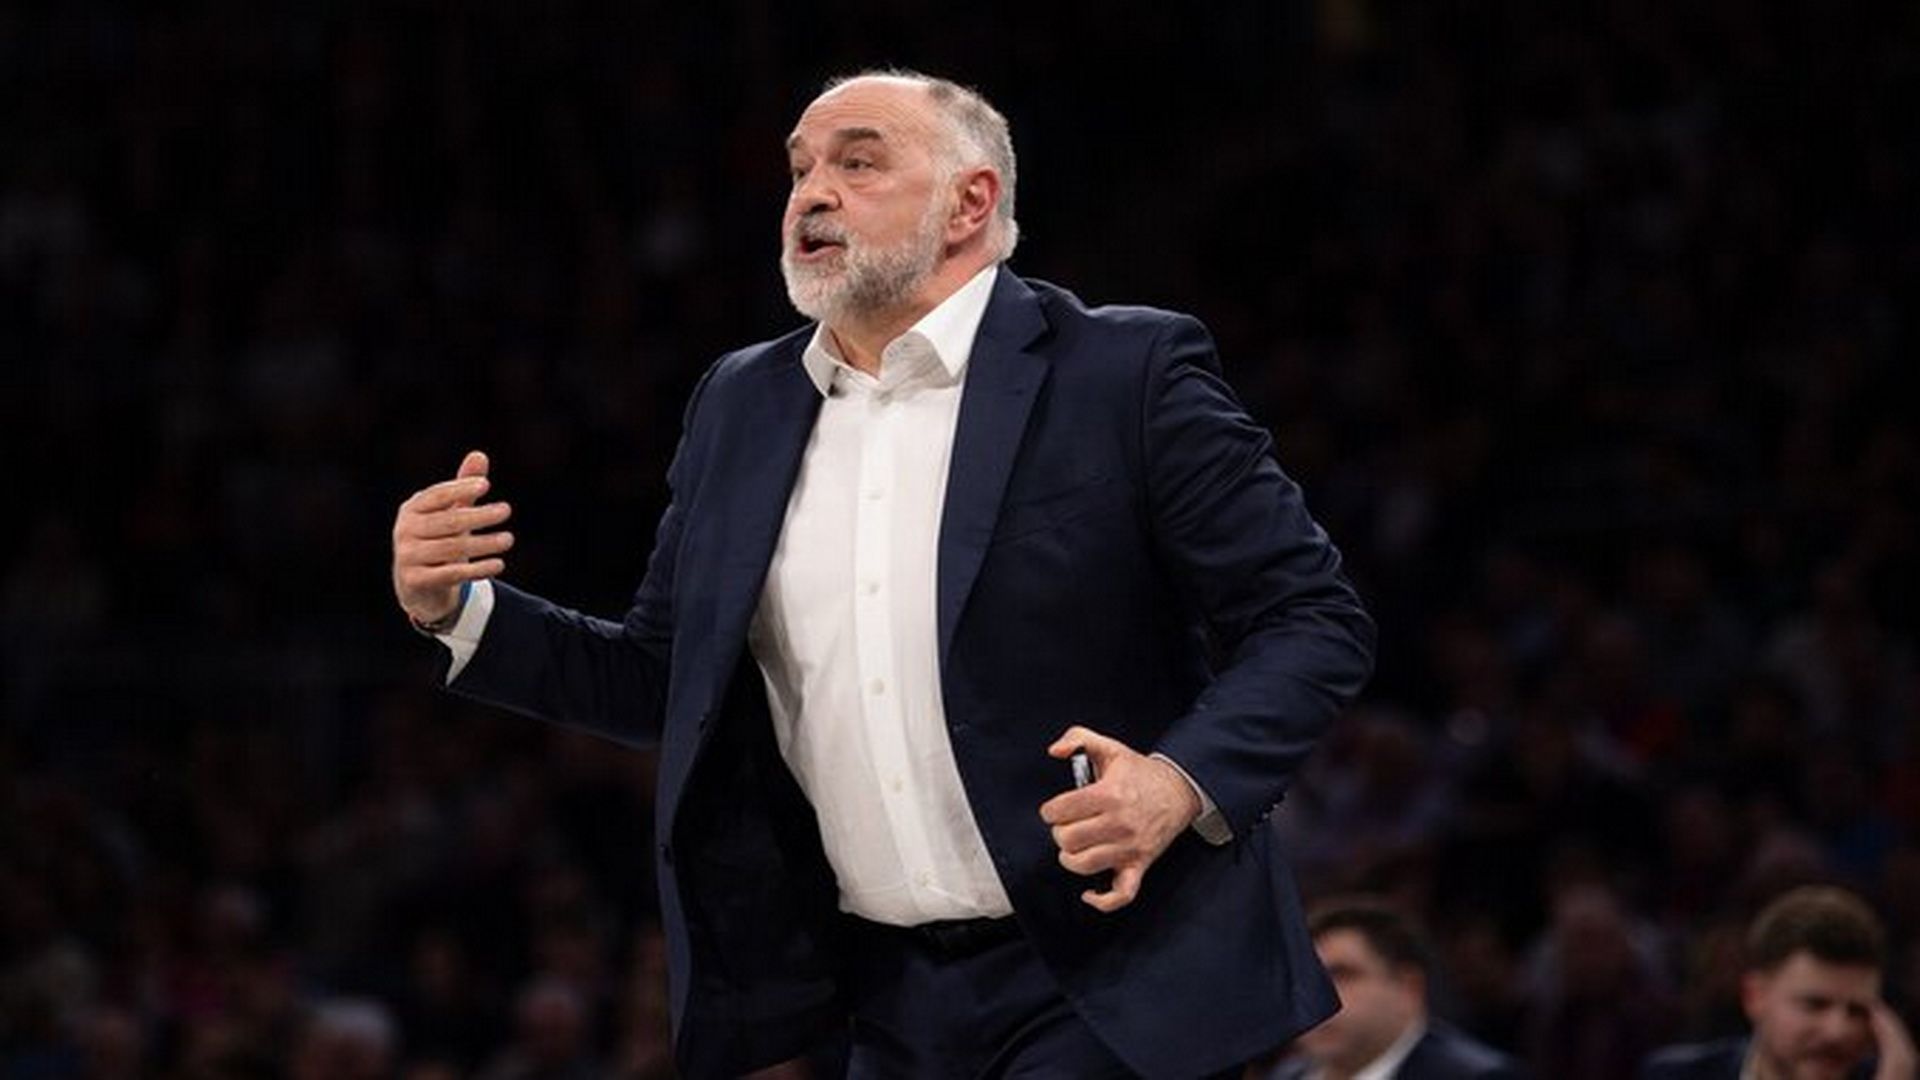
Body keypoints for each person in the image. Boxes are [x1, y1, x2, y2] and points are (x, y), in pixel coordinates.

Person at [390, 69, 1374, 1079]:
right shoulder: (741, 404)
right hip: (890, 1000)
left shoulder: (1123, 371)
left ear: (970, 202)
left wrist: (1176, 782)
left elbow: (1310, 618)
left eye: (858, 163)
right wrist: (459, 612)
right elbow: (664, 682)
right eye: (799, 170)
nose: (811, 193)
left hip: (1113, 971)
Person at [1640, 885, 1917, 1080]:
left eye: (1857, 1011)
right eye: (1815, 1005)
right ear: (1754, 997)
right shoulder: (1676, 1076)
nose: (1837, 1031)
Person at [1265, 898, 1525, 1079]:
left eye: (1343, 974)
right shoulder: (1285, 1076)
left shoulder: (1477, 1077)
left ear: (1409, 988)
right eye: (1306, 977)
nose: (1318, 995)